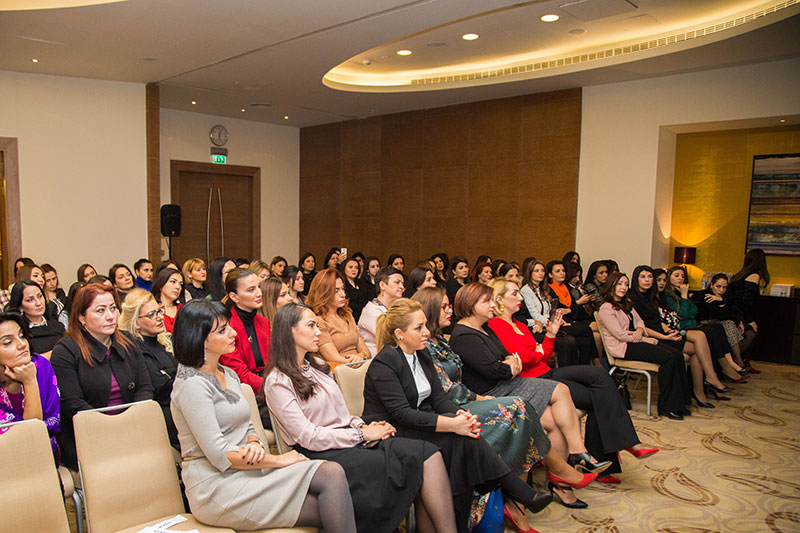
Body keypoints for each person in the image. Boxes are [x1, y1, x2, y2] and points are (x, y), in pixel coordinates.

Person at [362, 298, 553, 533]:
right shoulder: (384, 363)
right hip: (388, 432)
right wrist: (452, 424)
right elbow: (401, 414)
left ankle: (498, 501)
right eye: (419, 328)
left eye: (425, 325)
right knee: (461, 442)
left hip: (413, 423)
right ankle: (515, 490)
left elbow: (439, 398)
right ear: (399, 334)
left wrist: (461, 415)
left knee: (465, 440)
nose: (427, 332)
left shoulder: (421, 354)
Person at [265, 303, 457, 533]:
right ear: (290, 331)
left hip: (347, 441)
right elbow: (308, 437)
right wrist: (361, 434)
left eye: (318, 325)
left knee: (428, 454)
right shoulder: (278, 381)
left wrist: (364, 425)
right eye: (311, 325)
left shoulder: (317, 367)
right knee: (409, 462)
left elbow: (342, 415)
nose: (319, 332)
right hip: (321, 454)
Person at [169, 300, 356, 532]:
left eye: (229, 326)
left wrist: (254, 442)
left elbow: (247, 425)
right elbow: (220, 455)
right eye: (222, 330)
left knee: (332, 479)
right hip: (217, 486)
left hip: (252, 472)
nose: (233, 333)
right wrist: (278, 460)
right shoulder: (191, 384)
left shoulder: (228, 374)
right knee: (331, 497)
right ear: (199, 339)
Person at [413, 288, 596, 515]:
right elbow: (449, 388)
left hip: (469, 397)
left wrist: (508, 363)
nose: (449, 310)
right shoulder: (430, 343)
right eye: (444, 306)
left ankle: (528, 499)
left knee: (543, 416)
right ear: (431, 310)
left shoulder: (440, 339)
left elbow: (503, 357)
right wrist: (481, 395)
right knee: (523, 408)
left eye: (449, 305)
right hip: (453, 407)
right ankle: (555, 474)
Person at [487, 277, 657, 484]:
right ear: (499, 299)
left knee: (599, 376)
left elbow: (543, 355)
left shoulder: (520, 325)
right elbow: (522, 359)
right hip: (533, 381)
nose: (520, 298)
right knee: (599, 398)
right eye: (514, 294)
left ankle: (621, 445)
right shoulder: (496, 325)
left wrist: (550, 335)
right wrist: (535, 353)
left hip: (545, 372)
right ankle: (619, 450)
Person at [448, 283, 612, 479]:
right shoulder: (464, 335)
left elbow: (508, 355)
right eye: (487, 301)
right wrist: (509, 365)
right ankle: (577, 455)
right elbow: (496, 370)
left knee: (556, 422)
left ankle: (562, 482)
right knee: (561, 389)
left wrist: (510, 362)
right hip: (496, 392)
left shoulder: (483, 328)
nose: (493, 305)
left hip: (509, 384)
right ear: (470, 304)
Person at [51, 283, 153, 470]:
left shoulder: (128, 341)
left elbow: (144, 388)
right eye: (100, 310)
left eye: (113, 308)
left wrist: (132, 421)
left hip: (132, 430)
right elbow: (73, 404)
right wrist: (112, 428)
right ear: (81, 317)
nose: (110, 316)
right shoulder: (65, 351)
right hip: (90, 438)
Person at [630, 265, 729, 406]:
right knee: (699, 340)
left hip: (663, 333)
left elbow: (659, 320)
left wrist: (667, 330)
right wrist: (664, 336)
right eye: (643, 277)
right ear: (636, 279)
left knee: (698, 349)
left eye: (650, 277)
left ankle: (700, 391)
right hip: (652, 337)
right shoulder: (633, 298)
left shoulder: (652, 297)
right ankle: (709, 379)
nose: (647, 280)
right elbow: (642, 326)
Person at [597, 272, 691, 420]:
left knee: (677, 354)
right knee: (668, 358)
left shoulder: (626, 304)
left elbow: (640, 322)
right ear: (611, 286)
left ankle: (681, 403)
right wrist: (644, 339)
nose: (623, 287)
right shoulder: (606, 308)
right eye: (619, 284)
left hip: (635, 341)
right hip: (623, 348)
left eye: (626, 284)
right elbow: (620, 334)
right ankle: (668, 407)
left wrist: (640, 330)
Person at [118, 288, 179, 448]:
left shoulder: (162, 341)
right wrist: (174, 375)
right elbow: (160, 385)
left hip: (177, 406)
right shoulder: (135, 348)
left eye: (159, 311)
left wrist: (170, 374)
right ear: (136, 322)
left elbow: (182, 375)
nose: (160, 317)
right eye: (152, 315)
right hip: (161, 415)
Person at [663, 266, 744, 383]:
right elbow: (684, 314)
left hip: (691, 324)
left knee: (718, 328)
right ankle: (723, 369)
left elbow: (693, 311)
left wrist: (721, 301)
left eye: (682, 276)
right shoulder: (668, 295)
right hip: (682, 328)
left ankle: (727, 366)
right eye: (676, 276)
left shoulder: (679, 292)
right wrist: (685, 296)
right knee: (713, 331)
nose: (680, 278)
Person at [0, 312, 61, 454]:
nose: (22, 344)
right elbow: (26, 437)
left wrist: (30, 381)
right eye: (8, 342)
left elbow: (45, 427)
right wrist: (30, 382)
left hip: (44, 453)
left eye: (22, 336)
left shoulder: (40, 366)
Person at [220, 269, 271, 408]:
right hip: (243, 395)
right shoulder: (227, 328)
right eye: (251, 290)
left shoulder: (263, 322)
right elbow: (238, 373)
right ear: (234, 297)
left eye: (259, 287)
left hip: (267, 387)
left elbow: (273, 362)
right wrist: (272, 387)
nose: (259, 293)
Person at [518, 260, 582, 368]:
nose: (540, 273)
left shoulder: (542, 289)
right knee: (567, 341)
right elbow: (535, 314)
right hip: (537, 328)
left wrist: (555, 320)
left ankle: (576, 370)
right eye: (536, 271)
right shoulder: (526, 290)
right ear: (530, 273)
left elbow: (548, 312)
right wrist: (551, 323)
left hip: (547, 326)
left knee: (573, 340)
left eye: (542, 270)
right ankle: (564, 373)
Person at [306, 269, 370, 369]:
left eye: (343, 289)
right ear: (323, 293)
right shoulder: (318, 321)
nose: (343, 294)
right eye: (336, 291)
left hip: (360, 366)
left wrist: (361, 356)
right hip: (338, 371)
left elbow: (365, 351)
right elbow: (334, 358)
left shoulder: (347, 314)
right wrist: (358, 361)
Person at [693, 273, 756, 368]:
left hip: (721, 321)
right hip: (706, 322)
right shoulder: (706, 295)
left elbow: (732, 311)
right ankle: (738, 362)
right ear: (711, 285)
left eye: (724, 287)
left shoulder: (726, 296)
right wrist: (722, 303)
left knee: (750, 332)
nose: (721, 290)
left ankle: (737, 361)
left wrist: (738, 321)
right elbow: (721, 315)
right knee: (729, 324)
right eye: (718, 286)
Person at [547, 260, 600, 365]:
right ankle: (596, 361)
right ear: (550, 275)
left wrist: (570, 309)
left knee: (585, 341)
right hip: (561, 323)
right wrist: (572, 308)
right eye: (558, 271)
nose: (562, 273)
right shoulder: (549, 289)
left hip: (572, 319)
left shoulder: (566, 287)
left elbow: (573, 309)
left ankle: (584, 368)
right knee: (587, 329)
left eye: (563, 271)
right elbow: (558, 310)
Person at [727, 248, 769, 372]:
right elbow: (747, 302)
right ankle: (736, 361)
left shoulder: (739, 275)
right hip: (737, 314)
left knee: (749, 332)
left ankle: (740, 361)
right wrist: (750, 321)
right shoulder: (754, 276)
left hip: (731, 311)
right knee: (751, 333)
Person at [7, 281, 65, 358]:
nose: (38, 303)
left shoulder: (58, 326)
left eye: (40, 296)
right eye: (30, 300)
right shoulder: (19, 333)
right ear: (20, 306)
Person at [358, 267, 405, 356]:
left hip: (392, 355)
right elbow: (390, 339)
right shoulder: (372, 310)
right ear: (382, 285)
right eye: (397, 282)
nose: (402, 287)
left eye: (402, 283)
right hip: (377, 358)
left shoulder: (394, 308)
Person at [151, 268, 183, 333]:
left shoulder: (183, 309)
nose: (178, 287)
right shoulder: (152, 310)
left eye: (180, 284)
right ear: (161, 284)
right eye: (173, 282)